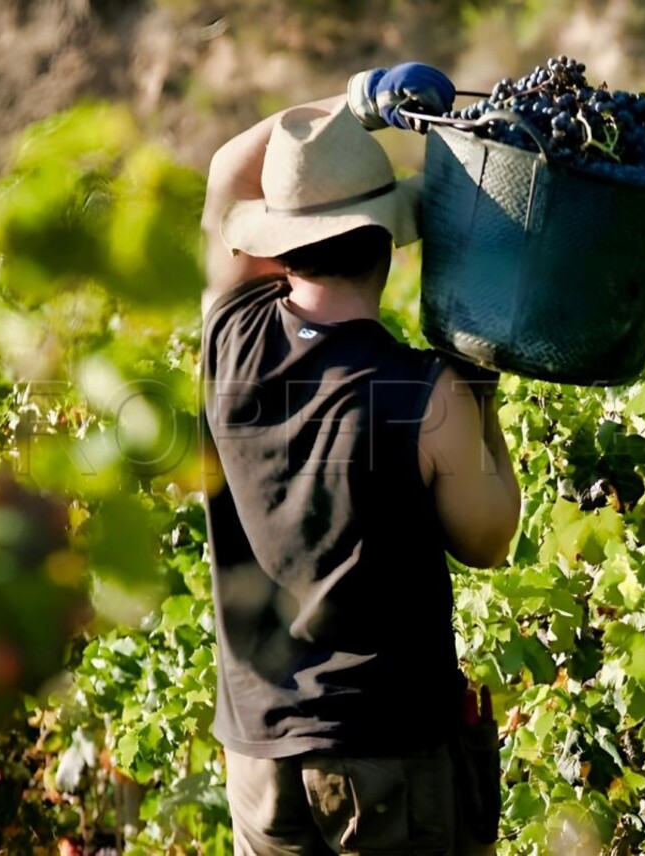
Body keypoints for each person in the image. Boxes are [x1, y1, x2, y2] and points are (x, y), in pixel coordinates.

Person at [199, 62, 521, 855]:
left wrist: (351, 105)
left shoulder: (228, 333)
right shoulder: (429, 394)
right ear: (390, 242)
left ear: (277, 246)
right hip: (387, 756)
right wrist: (485, 391)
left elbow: (224, 171)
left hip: (257, 749)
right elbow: (491, 539)